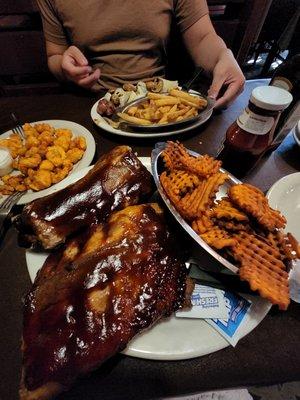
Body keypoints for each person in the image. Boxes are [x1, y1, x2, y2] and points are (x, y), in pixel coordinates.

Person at [36, 0, 245, 108]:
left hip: (160, 104)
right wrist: (65, 68)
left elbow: (202, 38)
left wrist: (222, 56)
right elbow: (55, 55)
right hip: (92, 105)